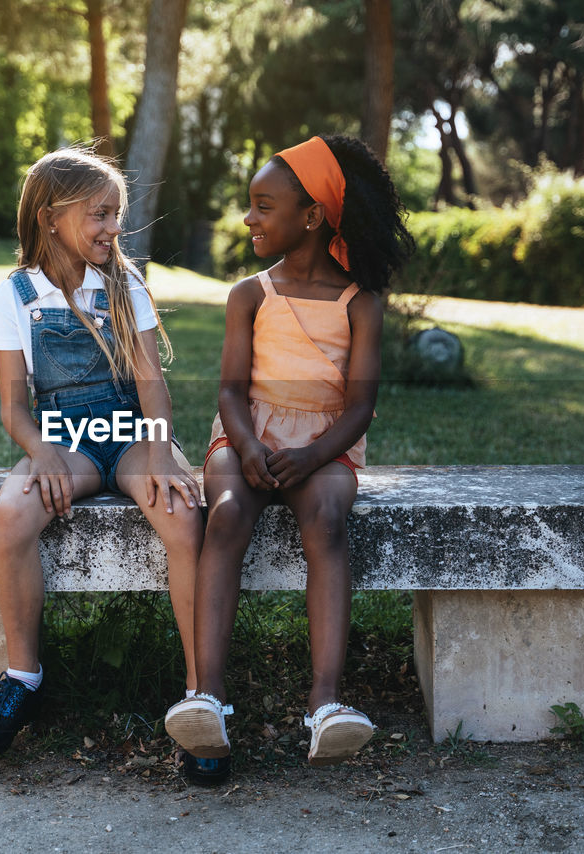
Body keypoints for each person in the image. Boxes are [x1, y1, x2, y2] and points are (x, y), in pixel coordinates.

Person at [164, 135, 413, 781]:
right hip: (246, 430)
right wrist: (247, 445)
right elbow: (228, 389)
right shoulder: (249, 294)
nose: (248, 218)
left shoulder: (360, 303)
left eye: (262, 205)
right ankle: (207, 699)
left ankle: (325, 701)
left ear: (310, 217)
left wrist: (310, 456)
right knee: (223, 514)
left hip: (326, 440)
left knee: (327, 520)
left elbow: (359, 408)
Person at [0, 148, 203, 763]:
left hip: (128, 430)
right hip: (63, 439)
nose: (113, 228)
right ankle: (23, 679)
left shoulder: (124, 284)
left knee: (181, 515)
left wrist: (159, 450)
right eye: (99, 214)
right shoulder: (15, 296)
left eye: (116, 215)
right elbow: (14, 407)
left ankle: (203, 695)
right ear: (50, 216)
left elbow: (152, 385)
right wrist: (40, 451)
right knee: (13, 511)